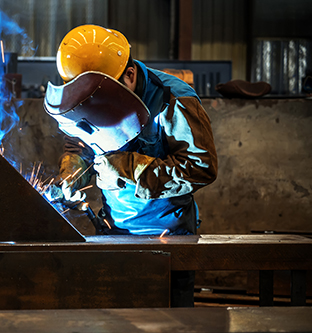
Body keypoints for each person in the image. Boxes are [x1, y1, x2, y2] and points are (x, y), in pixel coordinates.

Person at [43, 25, 218, 307]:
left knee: (171, 332)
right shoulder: (87, 97)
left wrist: (130, 168)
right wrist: (71, 173)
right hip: (113, 235)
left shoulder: (174, 100)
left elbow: (201, 167)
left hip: (168, 239)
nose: (96, 105)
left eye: (104, 97)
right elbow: (79, 144)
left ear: (130, 74)